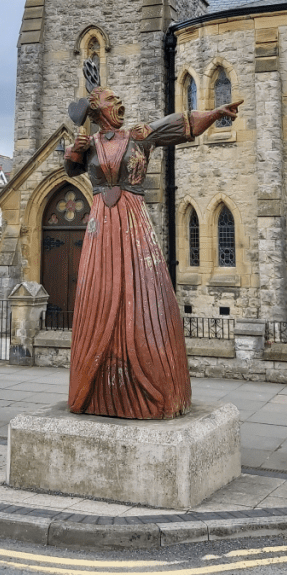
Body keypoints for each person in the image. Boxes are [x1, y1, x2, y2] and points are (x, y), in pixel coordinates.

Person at [64, 87, 242, 419]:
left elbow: (178, 125)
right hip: (100, 226)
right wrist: (75, 150)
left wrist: (215, 114)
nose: (119, 102)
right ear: (97, 110)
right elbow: (71, 170)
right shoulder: (91, 144)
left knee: (145, 291)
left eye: (119, 98)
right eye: (111, 99)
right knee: (98, 291)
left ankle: (154, 386)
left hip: (132, 222)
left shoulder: (138, 136)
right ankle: (96, 390)